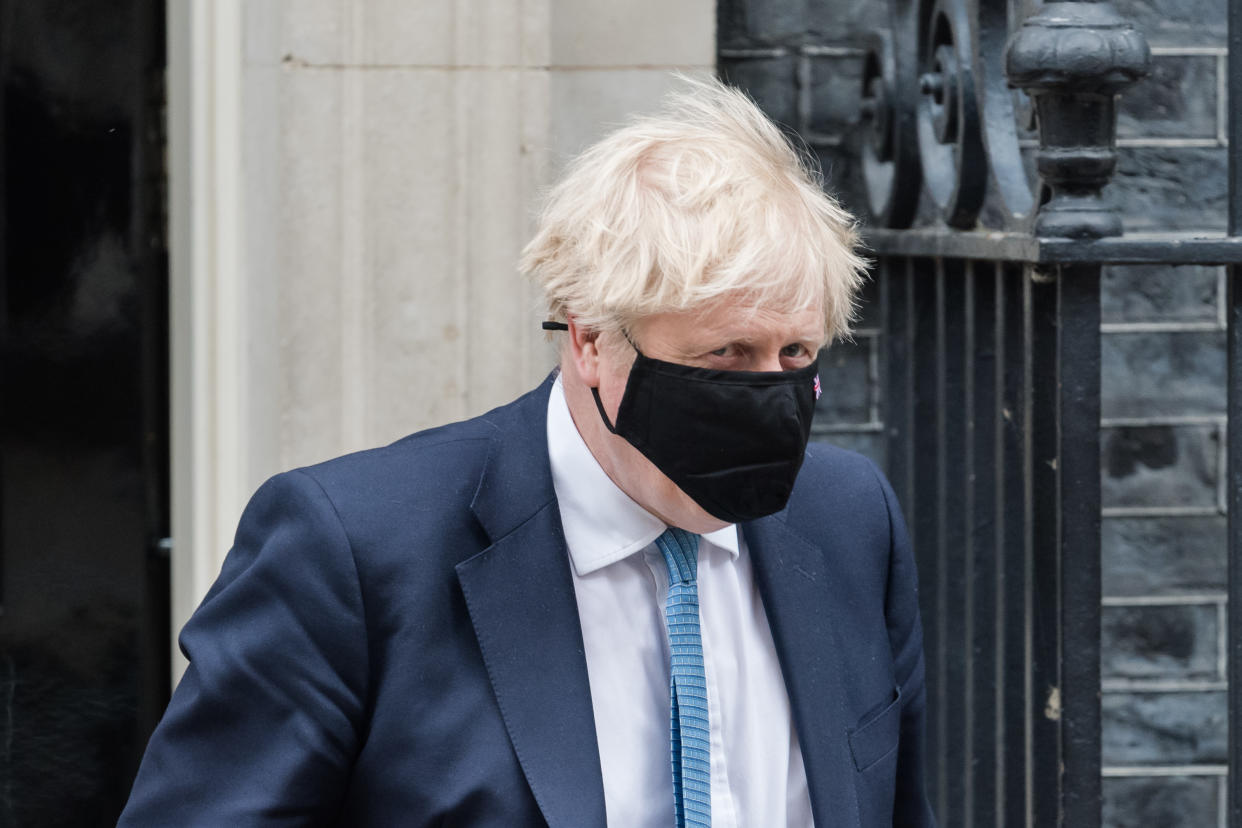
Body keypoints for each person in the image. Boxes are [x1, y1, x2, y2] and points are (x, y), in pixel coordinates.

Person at [119, 77, 935, 827]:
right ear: (587, 337)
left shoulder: (849, 518)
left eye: (795, 355)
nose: (770, 392)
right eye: (723, 355)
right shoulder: (352, 552)